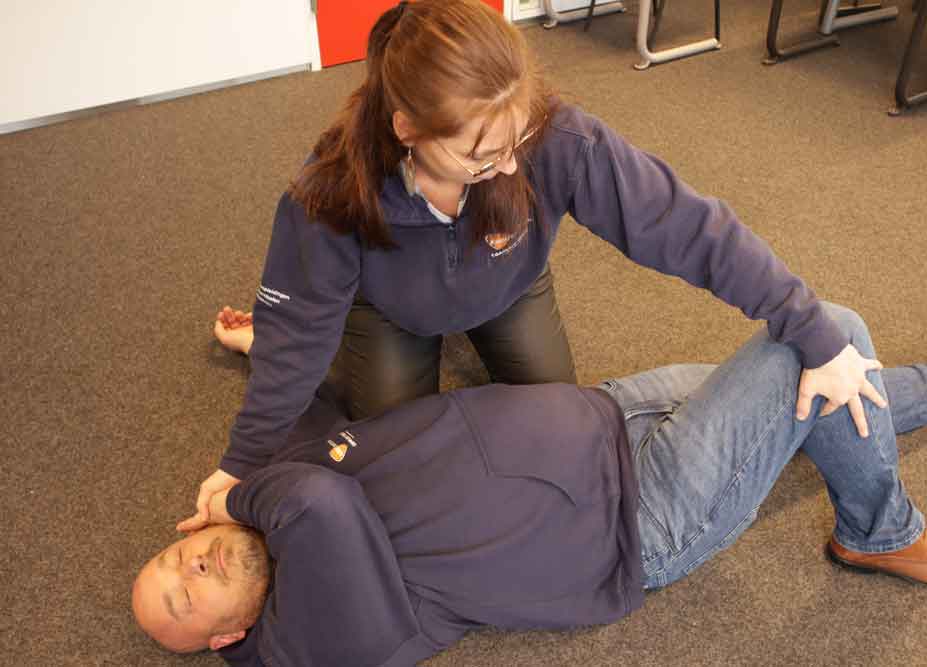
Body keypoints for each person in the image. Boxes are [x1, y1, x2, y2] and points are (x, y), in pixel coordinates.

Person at [187, 0, 887, 529]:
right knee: (398, 471)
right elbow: (298, 339)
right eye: (482, 155)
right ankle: (267, 337)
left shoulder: (556, 137)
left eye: (518, 138)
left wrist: (813, 332)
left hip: (509, 284)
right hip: (389, 307)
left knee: (560, 437)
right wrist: (241, 462)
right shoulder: (332, 192)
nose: (513, 165)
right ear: (408, 129)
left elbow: (692, 228)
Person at [135, 300, 927, 665]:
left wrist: (263, 354)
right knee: (823, 335)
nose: (192, 570)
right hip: (641, 514)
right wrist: (241, 492)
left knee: (823, 387)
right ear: (225, 637)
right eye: (183, 601)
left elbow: (316, 413)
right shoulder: (306, 638)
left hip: (604, 416)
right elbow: (323, 504)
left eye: (171, 563)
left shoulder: (268, 503)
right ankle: (881, 531)